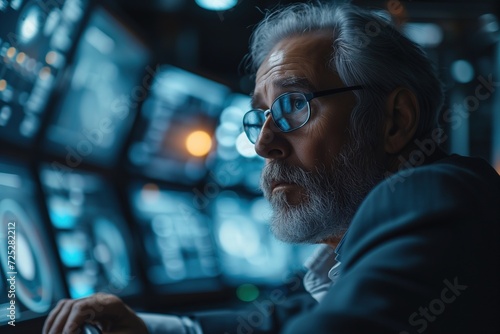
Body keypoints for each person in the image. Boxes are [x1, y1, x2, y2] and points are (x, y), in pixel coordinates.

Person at [43, 2, 500, 334]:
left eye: (293, 106)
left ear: (394, 121)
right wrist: (148, 327)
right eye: (260, 116)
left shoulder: (434, 196)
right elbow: (294, 316)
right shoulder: (355, 250)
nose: (264, 144)